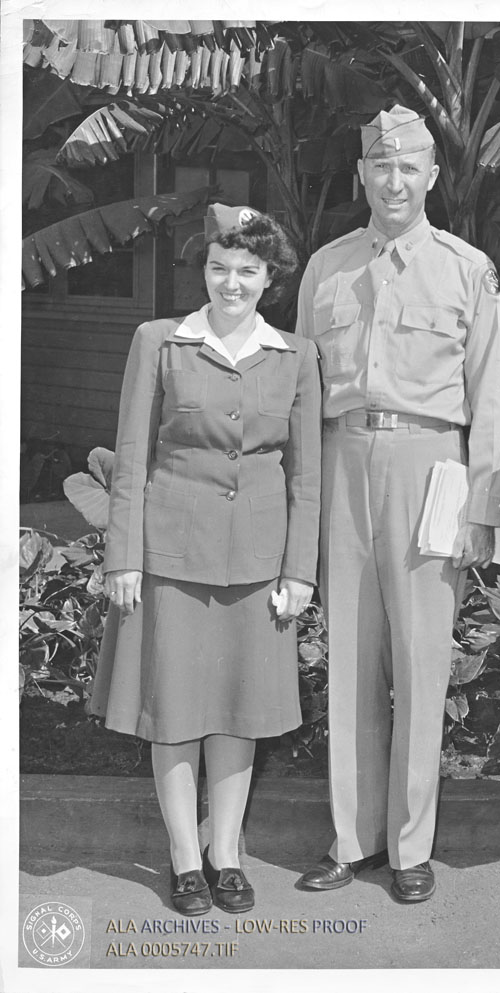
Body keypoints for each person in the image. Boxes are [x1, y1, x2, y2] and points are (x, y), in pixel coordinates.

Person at [294, 105, 500, 903]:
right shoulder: (326, 268)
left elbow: (492, 394)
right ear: (362, 175)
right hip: (344, 457)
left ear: (431, 176)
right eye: (380, 167)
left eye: (408, 167)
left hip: (432, 465)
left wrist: (486, 510)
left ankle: (412, 845)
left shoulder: (467, 269)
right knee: (350, 655)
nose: (394, 181)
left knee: (422, 659)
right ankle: (353, 839)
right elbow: (302, 390)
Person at [89, 204, 321, 916]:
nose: (231, 282)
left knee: (238, 713)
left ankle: (227, 853)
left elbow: (306, 475)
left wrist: (299, 570)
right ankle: (185, 859)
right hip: (172, 555)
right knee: (177, 711)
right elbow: (132, 457)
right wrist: (123, 558)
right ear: (204, 271)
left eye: (247, 269)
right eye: (220, 267)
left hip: (256, 561)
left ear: (270, 276)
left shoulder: (296, 355)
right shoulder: (159, 342)